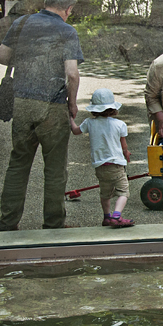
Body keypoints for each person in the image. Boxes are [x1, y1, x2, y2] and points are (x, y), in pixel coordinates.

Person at [0, 0, 83, 231]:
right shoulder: (66, 31)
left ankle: (8, 222)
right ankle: (54, 223)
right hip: (52, 106)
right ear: (68, 9)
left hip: (22, 102)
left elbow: (2, 56)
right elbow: (72, 74)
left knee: (18, 163)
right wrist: (72, 104)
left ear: (46, 3)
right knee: (55, 168)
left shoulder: (22, 24)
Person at [69, 88, 134, 228]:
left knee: (105, 193)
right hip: (116, 165)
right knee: (123, 192)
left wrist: (70, 119)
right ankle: (117, 216)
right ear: (113, 108)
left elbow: (75, 131)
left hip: (100, 166)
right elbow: (124, 146)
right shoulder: (119, 124)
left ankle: (106, 217)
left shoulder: (89, 123)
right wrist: (127, 153)